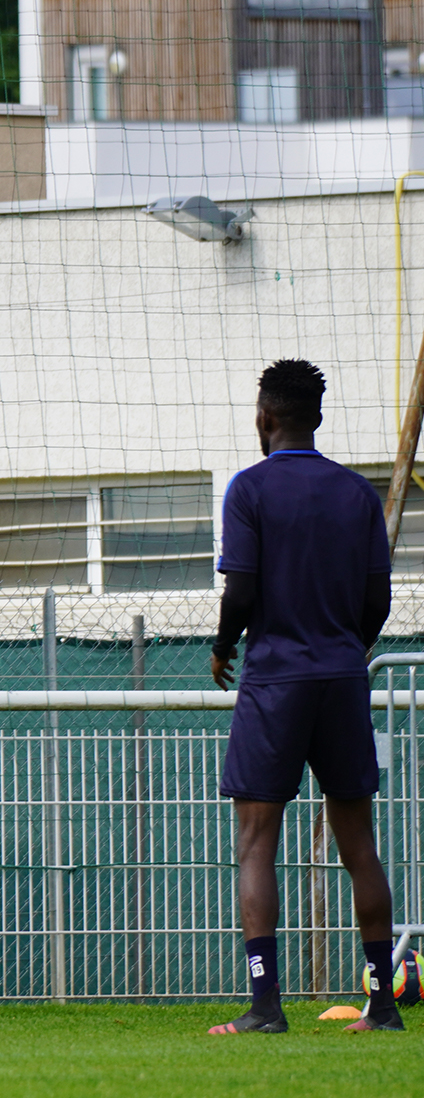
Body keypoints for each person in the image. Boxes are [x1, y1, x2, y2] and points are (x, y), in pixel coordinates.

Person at [208, 359, 400, 1034]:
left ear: (265, 418)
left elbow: (242, 589)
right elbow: (378, 600)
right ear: (316, 418)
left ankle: (265, 1008)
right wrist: (349, 648)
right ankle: (382, 1007)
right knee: (359, 843)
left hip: (276, 678)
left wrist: (225, 643)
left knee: (258, 838)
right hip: (344, 675)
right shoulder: (357, 494)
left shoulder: (250, 489)